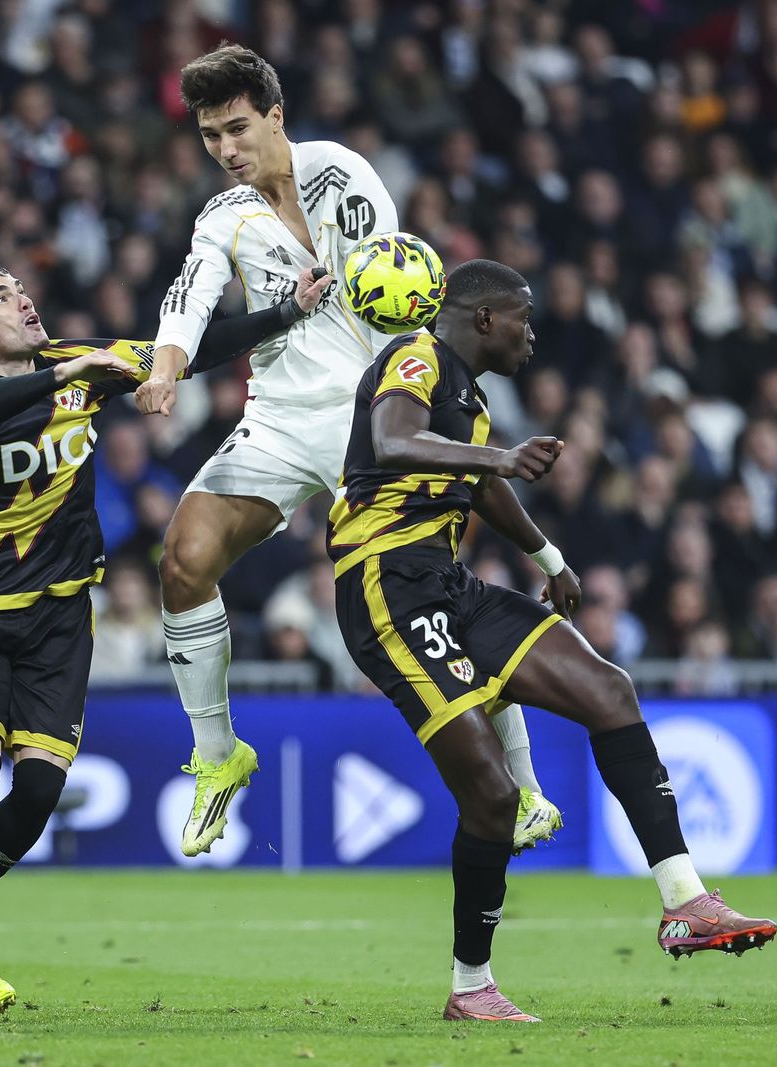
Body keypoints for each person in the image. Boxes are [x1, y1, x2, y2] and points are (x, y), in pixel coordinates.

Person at [136, 44, 560, 857]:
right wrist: (165, 368)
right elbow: (188, 296)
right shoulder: (223, 217)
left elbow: (395, 290)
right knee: (183, 559)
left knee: (436, 591)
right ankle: (219, 757)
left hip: (376, 412)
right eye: (209, 136)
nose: (225, 149)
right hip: (283, 417)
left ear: (275, 116)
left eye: (236, 128)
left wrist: (427, 402)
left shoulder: (342, 174)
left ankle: (528, 787)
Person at [328, 260, 776, 1024]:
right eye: (523, 318)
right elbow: (395, 438)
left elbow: (481, 485)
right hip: (384, 587)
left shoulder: (467, 393)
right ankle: (472, 986)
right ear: (485, 319)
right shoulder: (417, 355)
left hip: (446, 581)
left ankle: (685, 902)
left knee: (609, 690)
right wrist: (498, 455)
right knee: (493, 796)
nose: (532, 332)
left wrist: (550, 558)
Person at [0, 259, 331, 1019]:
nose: (25, 298)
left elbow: (183, 349)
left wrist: (284, 313)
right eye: (3, 297)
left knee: (38, 791)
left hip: (63, 619)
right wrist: (71, 370)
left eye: (20, 287)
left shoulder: (81, 364)